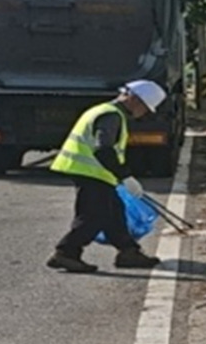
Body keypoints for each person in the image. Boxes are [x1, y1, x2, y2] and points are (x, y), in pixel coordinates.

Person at [46, 79, 167, 273]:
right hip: (91, 171)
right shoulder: (111, 116)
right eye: (144, 108)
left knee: (113, 212)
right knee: (93, 215)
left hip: (94, 171)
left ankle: (128, 251)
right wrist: (125, 176)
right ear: (133, 99)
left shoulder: (106, 111)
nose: (143, 113)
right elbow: (103, 149)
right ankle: (66, 253)